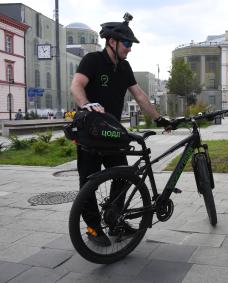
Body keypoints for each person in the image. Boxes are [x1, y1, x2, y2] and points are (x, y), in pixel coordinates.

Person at [70, 12, 170, 247]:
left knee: (125, 176)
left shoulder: (124, 68)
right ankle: (94, 228)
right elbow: (76, 86)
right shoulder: (92, 60)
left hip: (111, 133)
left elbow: (140, 96)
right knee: (88, 183)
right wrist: (86, 104)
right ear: (112, 42)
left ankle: (115, 218)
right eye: (126, 43)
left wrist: (159, 119)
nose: (129, 48)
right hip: (90, 132)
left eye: (130, 44)